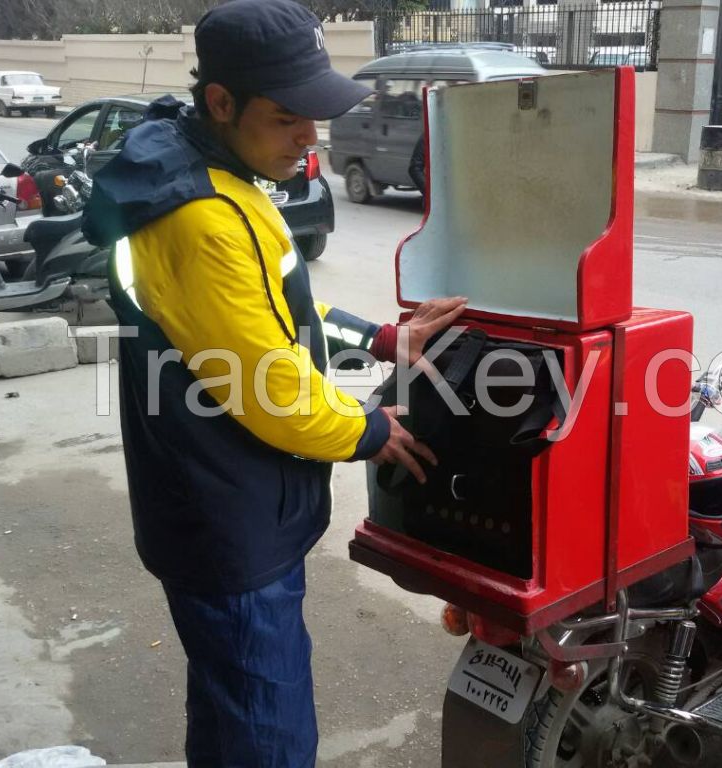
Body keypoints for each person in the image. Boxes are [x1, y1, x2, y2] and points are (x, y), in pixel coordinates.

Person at [81, 1, 466, 765]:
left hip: (217, 501)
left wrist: (383, 337)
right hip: (227, 516)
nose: (308, 138)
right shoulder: (199, 216)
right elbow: (273, 392)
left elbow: (280, 305)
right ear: (220, 102)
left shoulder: (218, 174)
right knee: (266, 729)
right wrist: (373, 431)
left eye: (313, 117)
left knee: (230, 708)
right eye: (288, 116)